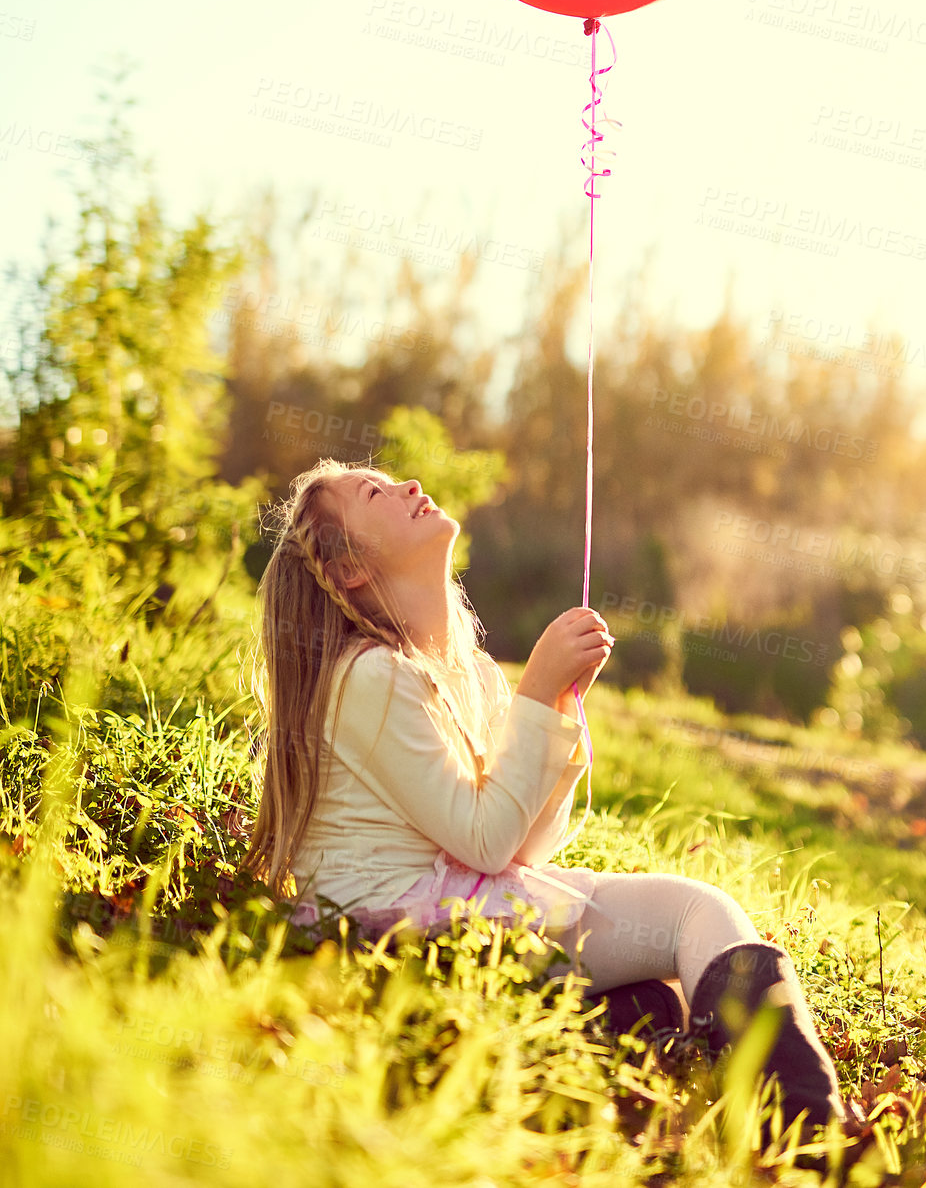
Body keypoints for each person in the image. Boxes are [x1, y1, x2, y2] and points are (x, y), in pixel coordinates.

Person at [241, 458, 858, 1152]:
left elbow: (525, 847)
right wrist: (535, 692)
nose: (409, 486)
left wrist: (558, 704)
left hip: (462, 914)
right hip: (399, 937)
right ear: (349, 566)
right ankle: (810, 1139)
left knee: (685, 947)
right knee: (691, 922)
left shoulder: (462, 671)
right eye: (374, 494)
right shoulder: (367, 676)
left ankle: (686, 1073)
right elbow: (482, 842)